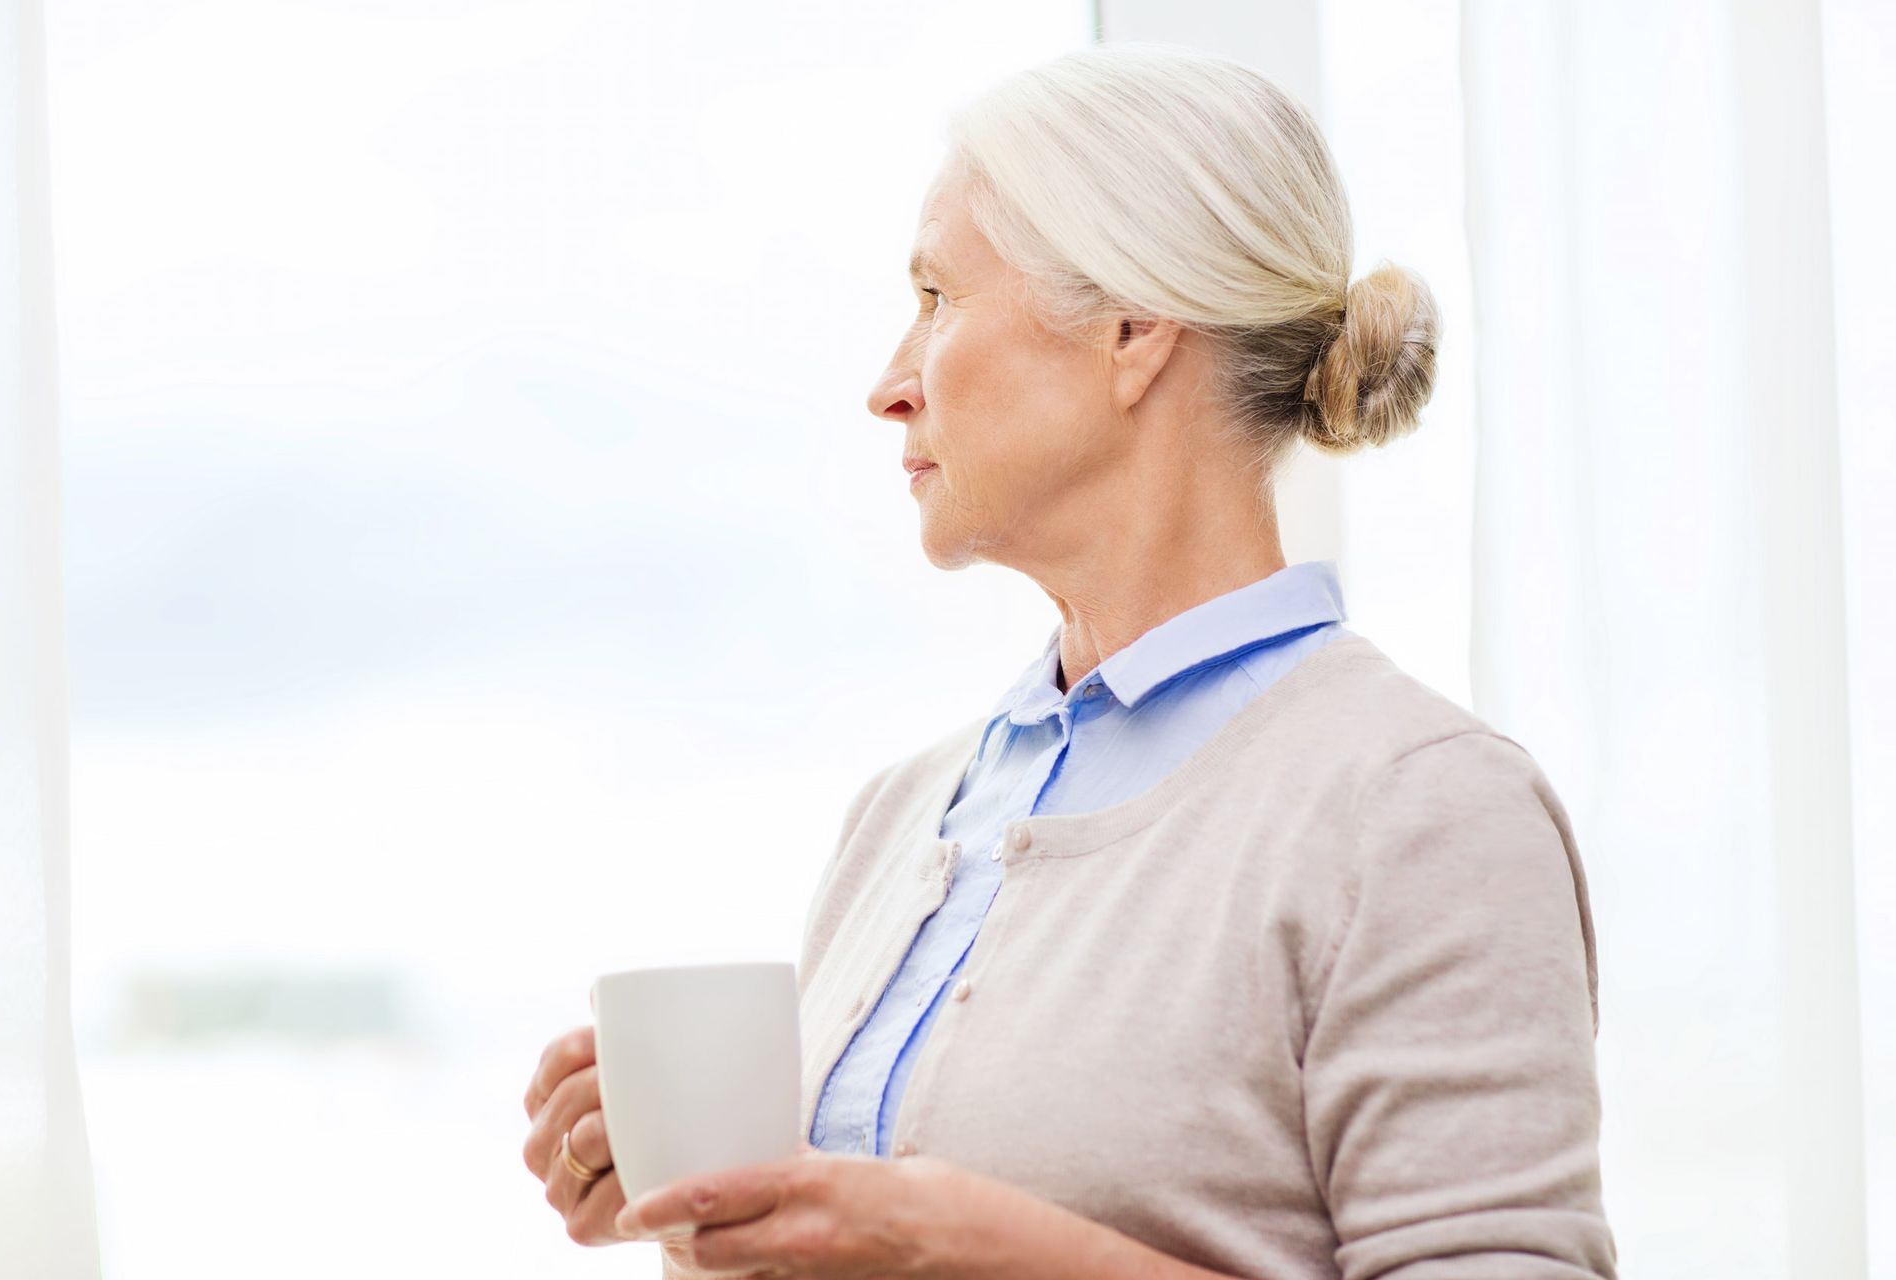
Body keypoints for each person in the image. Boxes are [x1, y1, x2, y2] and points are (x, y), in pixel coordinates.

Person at [522, 40, 1615, 1280]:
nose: (888, 383)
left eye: (936, 299)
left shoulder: (1417, 806)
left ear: (1134, 329)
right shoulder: (899, 819)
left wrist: (983, 1248)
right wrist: (720, 1208)